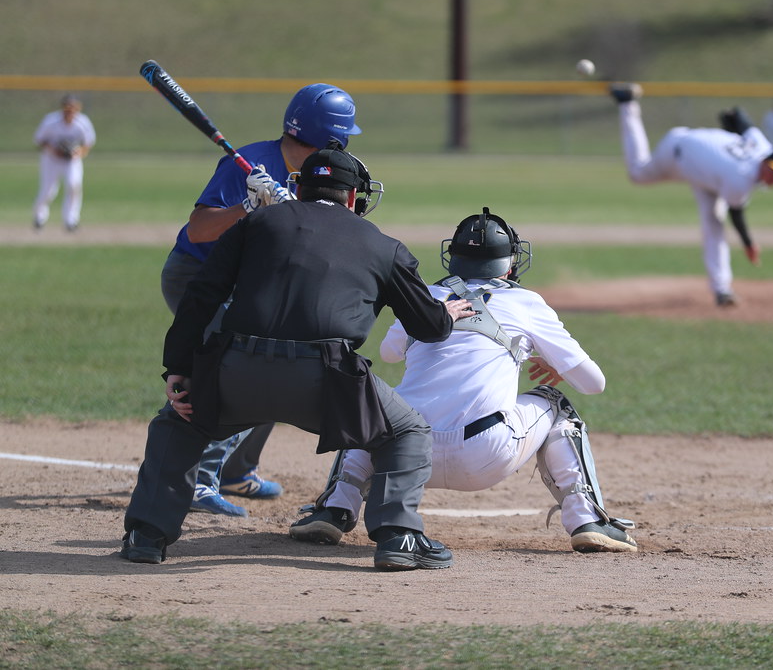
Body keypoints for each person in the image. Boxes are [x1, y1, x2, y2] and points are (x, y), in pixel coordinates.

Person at [120, 142, 475, 570]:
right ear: (353, 198)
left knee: (178, 420)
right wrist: (446, 314)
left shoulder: (254, 224)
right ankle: (398, 537)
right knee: (406, 431)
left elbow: (200, 296)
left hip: (237, 369)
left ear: (299, 188)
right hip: (327, 382)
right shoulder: (384, 245)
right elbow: (428, 328)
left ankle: (147, 535)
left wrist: (179, 367)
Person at [289, 208, 638, 554]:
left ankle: (335, 509)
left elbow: (390, 352)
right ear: (510, 262)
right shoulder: (526, 302)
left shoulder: (426, 296)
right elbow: (594, 383)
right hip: (484, 456)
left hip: (404, 456)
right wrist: (548, 361)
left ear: (452, 258)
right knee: (555, 401)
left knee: (374, 406)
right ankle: (586, 520)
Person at [160, 83, 361, 517]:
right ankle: (194, 480)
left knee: (276, 350)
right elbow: (197, 231)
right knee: (236, 365)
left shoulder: (319, 174)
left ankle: (237, 470)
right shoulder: (247, 163)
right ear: (334, 138)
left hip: (250, 282)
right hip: (199, 278)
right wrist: (248, 208)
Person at [608, 83, 773, 307]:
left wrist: (730, 117)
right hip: (678, 153)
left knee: (713, 224)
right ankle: (627, 103)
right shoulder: (741, 178)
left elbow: (739, 117)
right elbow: (736, 214)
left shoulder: (761, 145)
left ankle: (722, 290)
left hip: (707, 175)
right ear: (766, 161)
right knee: (638, 173)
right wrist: (749, 243)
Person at [32, 94, 96, 232]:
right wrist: (54, 150)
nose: (70, 111)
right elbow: (39, 140)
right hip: (51, 159)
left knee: (74, 186)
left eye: (74, 108)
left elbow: (88, 143)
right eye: (68, 107)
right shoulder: (51, 121)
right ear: (63, 108)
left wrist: (78, 152)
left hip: (71, 160)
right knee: (48, 191)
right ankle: (39, 217)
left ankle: (71, 220)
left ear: (78, 109)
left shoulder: (83, 122)